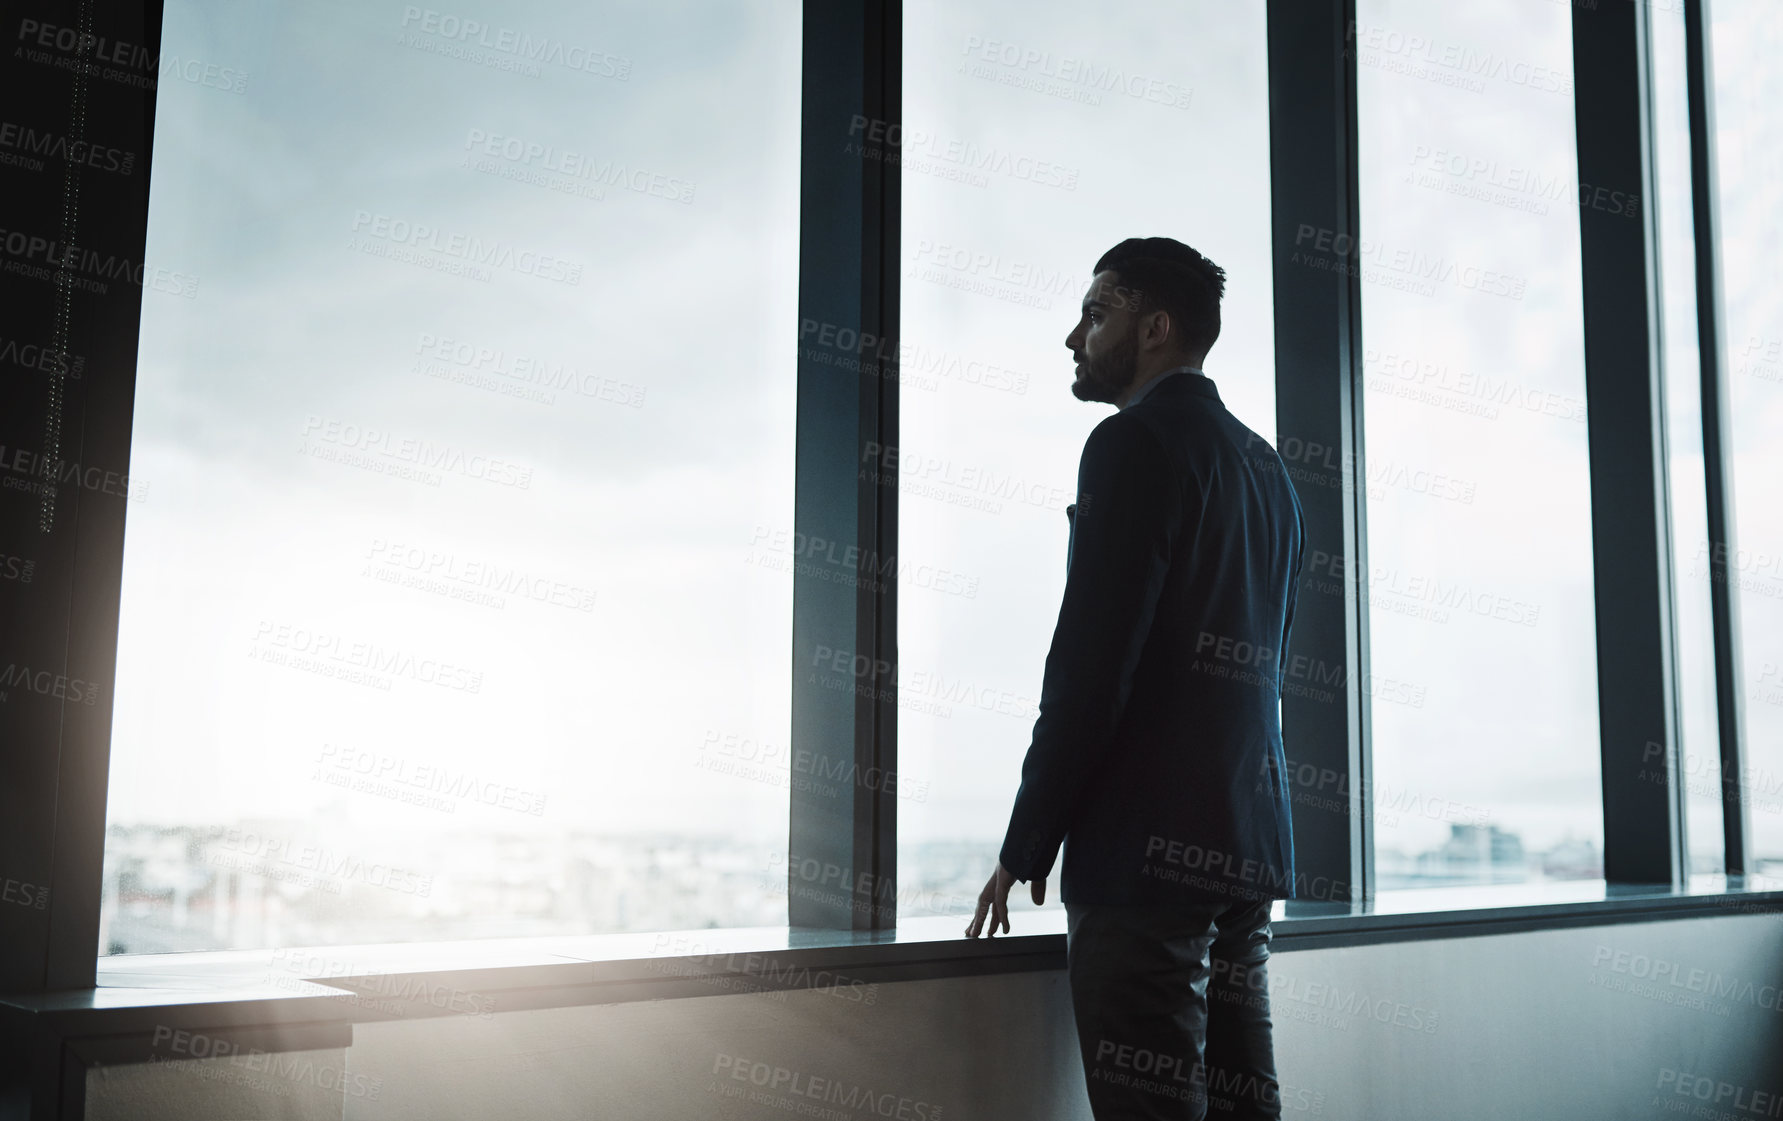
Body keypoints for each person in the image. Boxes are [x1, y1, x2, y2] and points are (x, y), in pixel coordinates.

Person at [964, 237, 1306, 1120]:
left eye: (1095, 312)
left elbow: (1091, 668)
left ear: (1154, 327)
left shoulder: (1128, 445)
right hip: (1244, 845)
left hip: (1147, 862)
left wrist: (1023, 843)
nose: (1072, 336)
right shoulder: (1267, 469)